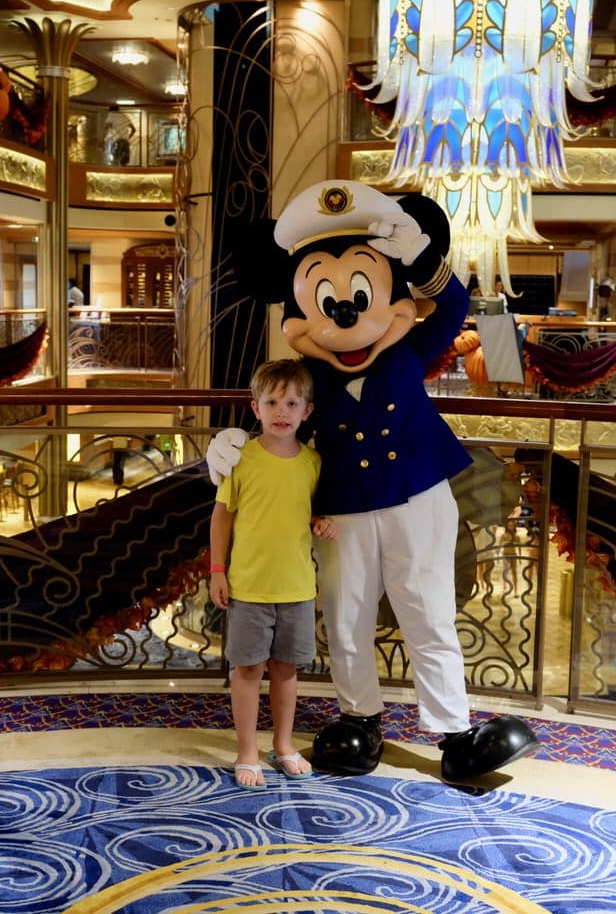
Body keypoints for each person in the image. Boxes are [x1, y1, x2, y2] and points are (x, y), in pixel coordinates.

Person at [207, 179, 539, 781]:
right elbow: (282, 418)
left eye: (361, 292)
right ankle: (359, 718)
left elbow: (455, 310)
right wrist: (236, 442)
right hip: (343, 511)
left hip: (418, 495)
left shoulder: (408, 351)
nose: (345, 311)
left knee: (427, 609)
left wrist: (423, 261)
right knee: (346, 615)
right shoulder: (307, 378)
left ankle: (453, 728)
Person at [209, 358, 337, 790]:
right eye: (273, 402)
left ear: (307, 411)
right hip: (248, 588)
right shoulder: (241, 460)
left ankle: (283, 744)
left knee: (286, 671)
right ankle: (247, 750)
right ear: (256, 408)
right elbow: (222, 517)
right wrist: (217, 571)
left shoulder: (313, 463)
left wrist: (322, 523)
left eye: (292, 403)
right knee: (247, 671)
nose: (282, 412)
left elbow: (311, 511)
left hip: (297, 587)